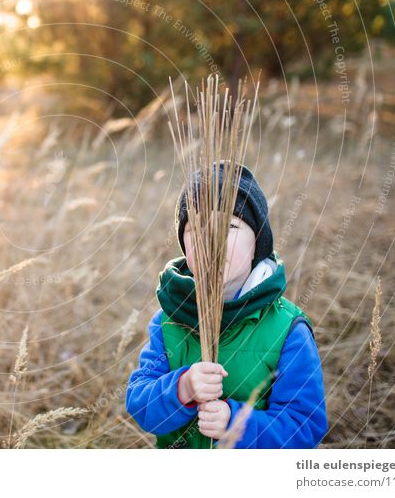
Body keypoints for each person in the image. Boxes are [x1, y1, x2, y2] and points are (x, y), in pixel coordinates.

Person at [125, 163, 328, 448]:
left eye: (229, 226)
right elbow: (140, 405)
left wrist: (236, 425)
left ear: (257, 241)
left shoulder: (288, 330)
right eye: (196, 227)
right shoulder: (168, 320)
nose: (210, 240)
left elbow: (305, 427)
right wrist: (182, 388)